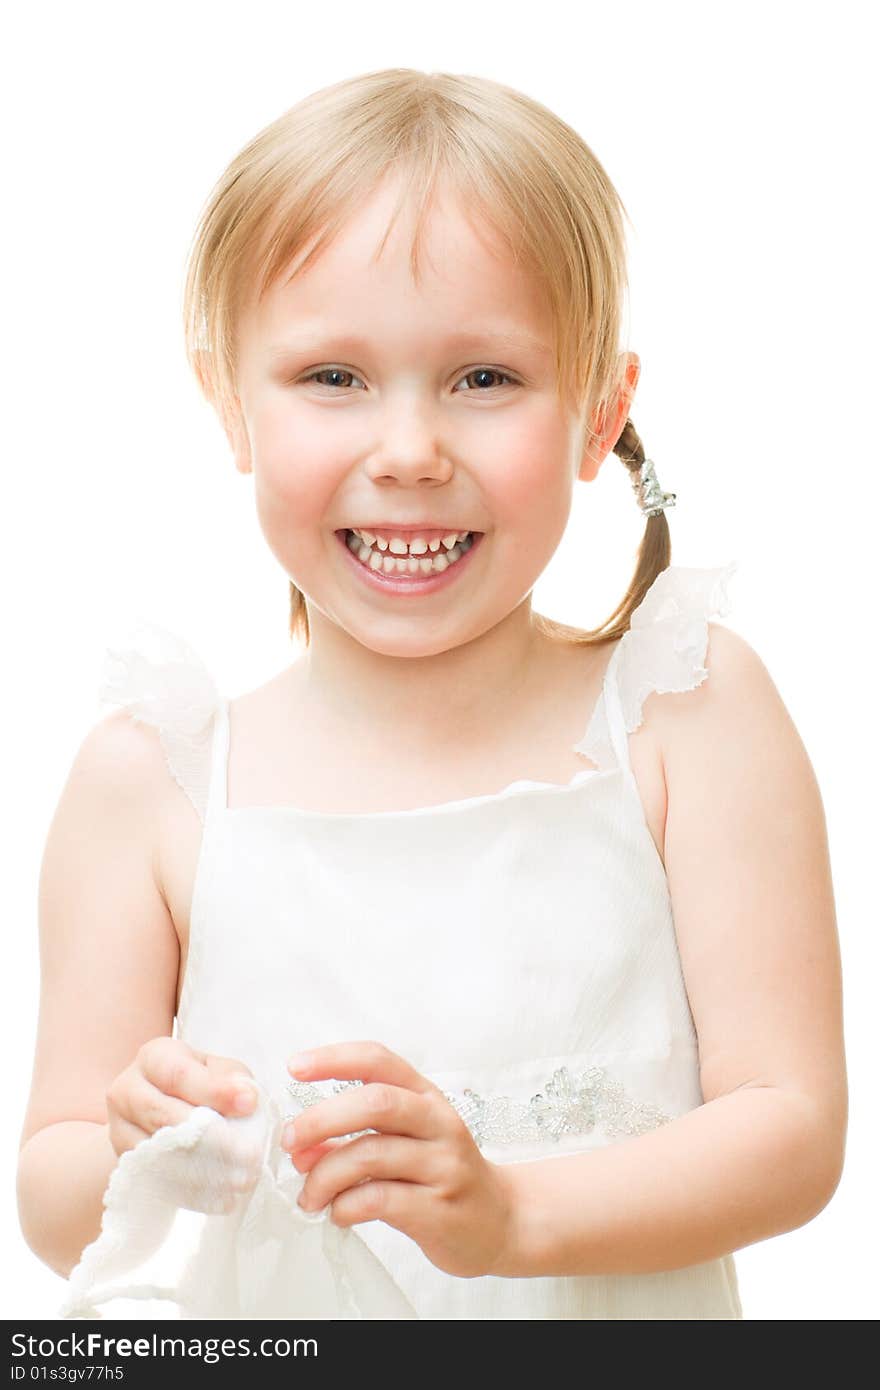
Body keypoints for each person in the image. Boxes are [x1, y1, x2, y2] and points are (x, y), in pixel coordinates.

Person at [17, 68, 846, 1321]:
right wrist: (140, 1147)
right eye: (333, 378)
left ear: (599, 409)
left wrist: (514, 1217)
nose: (408, 451)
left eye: (483, 378)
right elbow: (52, 1184)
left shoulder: (685, 715)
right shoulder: (155, 777)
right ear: (229, 402)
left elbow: (790, 1127)